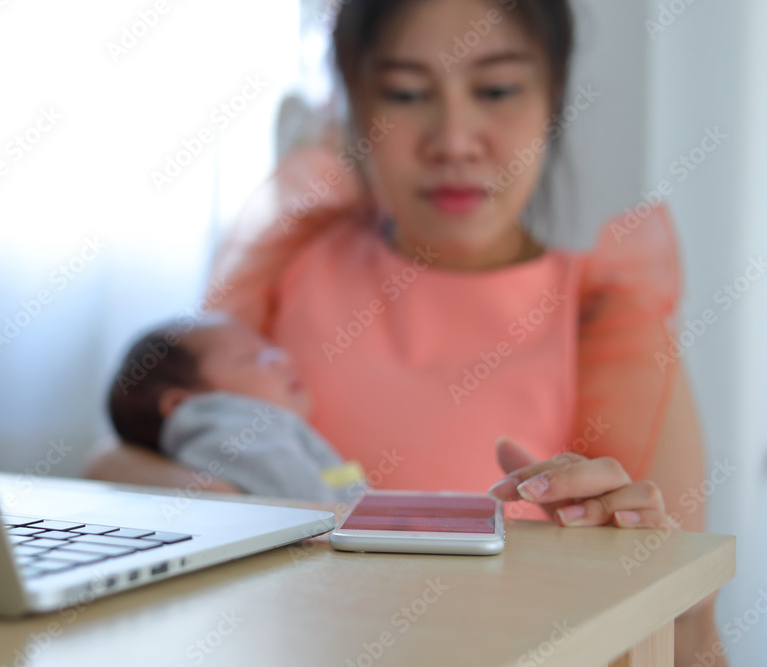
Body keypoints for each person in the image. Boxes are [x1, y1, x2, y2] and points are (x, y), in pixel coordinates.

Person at [86, 0, 724, 660]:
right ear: (356, 103)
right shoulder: (289, 262)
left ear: (553, 95)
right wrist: (252, 513)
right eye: (407, 93)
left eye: (497, 89)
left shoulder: (606, 322)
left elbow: (695, 643)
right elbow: (114, 461)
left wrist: (666, 595)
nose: (452, 139)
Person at [105, 313, 365, 502]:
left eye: (270, 348)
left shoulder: (276, 429)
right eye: (251, 358)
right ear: (183, 404)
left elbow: (334, 481)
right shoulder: (231, 424)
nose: (283, 358)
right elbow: (304, 501)